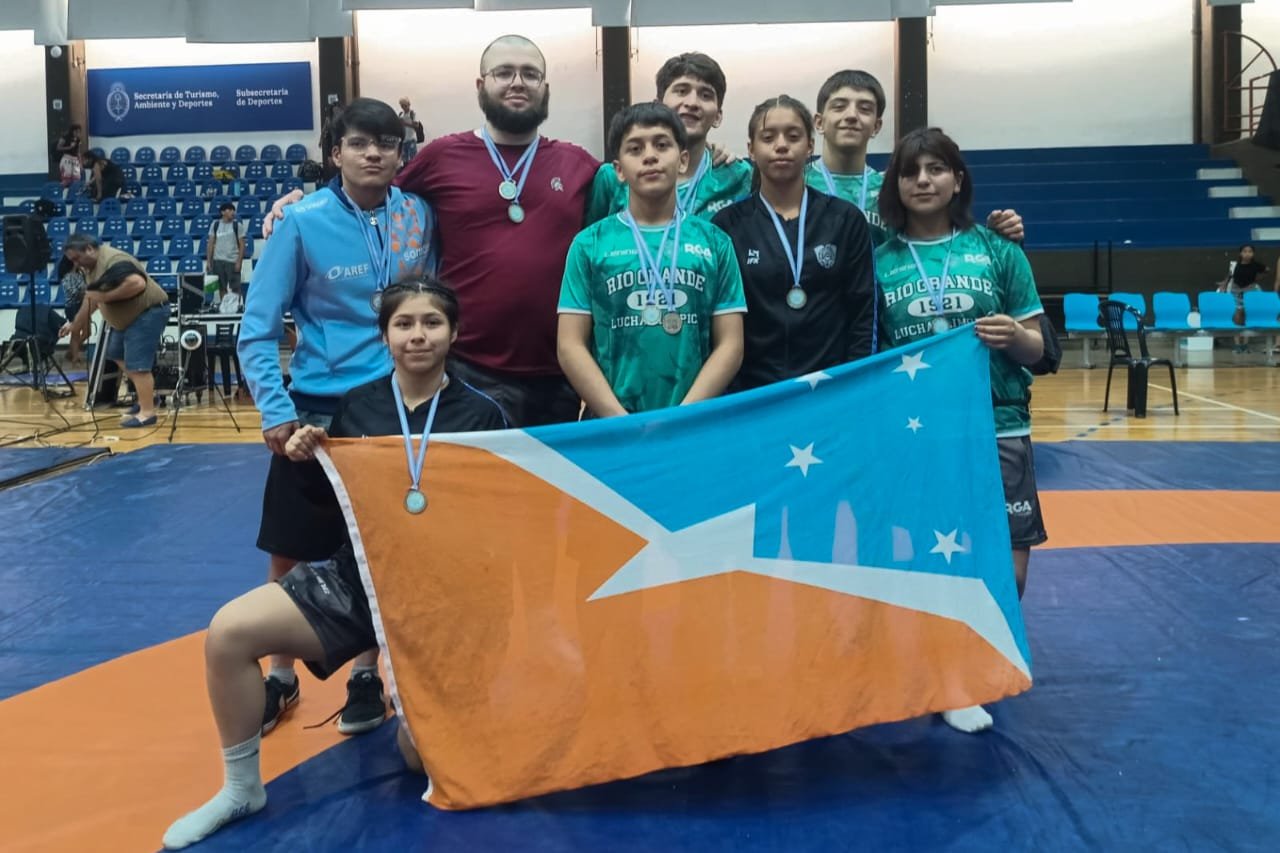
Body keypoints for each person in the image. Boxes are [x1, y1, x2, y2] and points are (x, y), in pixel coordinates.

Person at [162, 279, 507, 851]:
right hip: (359, 581)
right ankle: (242, 788)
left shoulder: (485, 415)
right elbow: (332, 505)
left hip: (442, 598)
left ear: (454, 333)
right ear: (384, 336)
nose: (418, 335)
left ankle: (419, 702)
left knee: (419, 760)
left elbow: (502, 523)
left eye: (432, 323)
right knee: (228, 634)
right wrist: (305, 459)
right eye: (403, 324)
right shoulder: (357, 405)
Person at [267, 36, 599, 428]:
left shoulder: (579, 165)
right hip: (464, 367)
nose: (517, 82)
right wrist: (306, 203)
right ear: (481, 85)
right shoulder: (442, 156)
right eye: (504, 72)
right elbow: (371, 195)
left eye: (530, 74)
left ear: (545, 88)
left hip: (555, 372)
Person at [237, 97, 437, 738]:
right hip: (316, 407)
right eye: (359, 142)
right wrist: (275, 410)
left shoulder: (417, 215)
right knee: (291, 546)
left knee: (382, 545)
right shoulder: (300, 221)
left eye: (387, 143)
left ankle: (365, 672)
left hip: (393, 406)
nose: (374, 153)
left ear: (401, 153)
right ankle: (280, 673)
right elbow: (256, 328)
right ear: (335, 153)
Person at [875, 127, 1047, 735]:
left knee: (1009, 569)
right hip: (920, 433)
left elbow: (1040, 347)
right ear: (895, 185)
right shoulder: (879, 259)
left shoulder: (998, 250)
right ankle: (949, 677)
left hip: (999, 425)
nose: (923, 180)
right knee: (934, 559)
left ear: (958, 179)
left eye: (936, 169)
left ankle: (969, 658)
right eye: (910, 171)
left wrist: (1017, 337)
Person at [557, 103, 745, 416]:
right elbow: (570, 346)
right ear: (618, 170)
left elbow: (731, 345)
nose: (649, 156)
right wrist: (619, 420)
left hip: (693, 421)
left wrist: (682, 417)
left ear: (682, 160)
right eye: (635, 148)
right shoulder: (589, 244)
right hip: (613, 424)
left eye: (661, 145)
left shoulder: (715, 242)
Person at [713, 95, 876, 389]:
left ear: (810, 146)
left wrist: (854, 386)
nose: (781, 145)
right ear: (751, 149)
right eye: (768, 137)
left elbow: (863, 313)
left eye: (793, 136)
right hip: (753, 393)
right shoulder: (728, 225)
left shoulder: (845, 219)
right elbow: (721, 322)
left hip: (831, 388)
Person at [807, 69, 1025, 245]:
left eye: (865, 109)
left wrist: (994, 237)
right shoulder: (797, 183)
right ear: (819, 122)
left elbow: (937, 239)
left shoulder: (895, 188)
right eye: (839, 107)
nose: (852, 116)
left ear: (877, 126)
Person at [587, 52, 752, 222]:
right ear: (658, 105)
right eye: (681, 91)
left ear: (718, 116)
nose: (692, 103)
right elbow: (593, 235)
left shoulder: (737, 176)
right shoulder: (613, 179)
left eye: (706, 95)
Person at [58, 233, 169, 426]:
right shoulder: (90, 268)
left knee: (137, 366)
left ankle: (147, 413)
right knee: (117, 354)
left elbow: (137, 283)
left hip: (147, 313)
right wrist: (74, 324)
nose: (75, 264)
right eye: (72, 260)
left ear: (89, 249)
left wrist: (106, 297)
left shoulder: (113, 260)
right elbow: (92, 299)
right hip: (127, 320)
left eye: (77, 258)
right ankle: (148, 398)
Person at [1219, 244, 1270, 352]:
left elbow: (1267, 270)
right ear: (1240, 253)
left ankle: (1246, 344)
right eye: (1245, 251)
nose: (1247, 254)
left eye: (1250, 251)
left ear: (1253, 254)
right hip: (1236, 291)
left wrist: (1257, 279)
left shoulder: (1256, 265)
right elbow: (1229, 276)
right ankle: (1237, 344)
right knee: (1237, 316)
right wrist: (1224, 284)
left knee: (1248, 316)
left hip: (1249, 292)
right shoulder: (1235, 265)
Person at [206, 201, 246, 304]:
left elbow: (242, 245)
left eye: (233, 210)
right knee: (221, 288)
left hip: (232, 261)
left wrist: (239, 262)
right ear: (223, 212)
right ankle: (225, 308)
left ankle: (236, 308)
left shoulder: (237, 225)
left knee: (235, 288)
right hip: (218, 261)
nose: (232, 212)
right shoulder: (215, 225)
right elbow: (210, 243)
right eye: (230, 210)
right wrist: (209, 261)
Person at [398, 96, 420, 164]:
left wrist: (405, 123)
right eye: (402, 106)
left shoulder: (412, 113)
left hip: (411, 140)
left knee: (413, 160)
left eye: (405, 105)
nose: (404, 107)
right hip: (403, 140)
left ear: (409, 104)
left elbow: (417, 125)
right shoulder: (401, 114)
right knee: (405, 161)